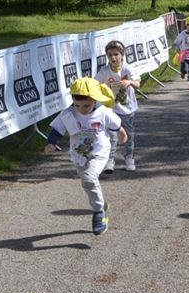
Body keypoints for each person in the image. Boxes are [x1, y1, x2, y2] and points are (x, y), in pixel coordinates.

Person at [44, 78, 127, 235]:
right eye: (77, 105)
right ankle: (101, 204)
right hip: (79, 155)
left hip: (99, 152)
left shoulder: (104, 113)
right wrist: (51, 143)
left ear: (94, 100)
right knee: (87, 182)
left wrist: (123, 136)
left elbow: (118, 128)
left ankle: (99, 214)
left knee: (88, 179)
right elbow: (56, 131)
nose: (82, 109)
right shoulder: (68, 114)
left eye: (87, 106)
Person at [95, 40, 141, 172]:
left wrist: (130, 82)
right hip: (110, 109)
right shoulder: (104, 71)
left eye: (116, 54)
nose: (113, 58)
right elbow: (95, 84)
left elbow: (138, 84)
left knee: (129, 134)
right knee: (111, 135)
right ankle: (110, 160)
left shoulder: (128, 68)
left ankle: (129, 157)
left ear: (122, 55)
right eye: (110, 55)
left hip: (127, 109)